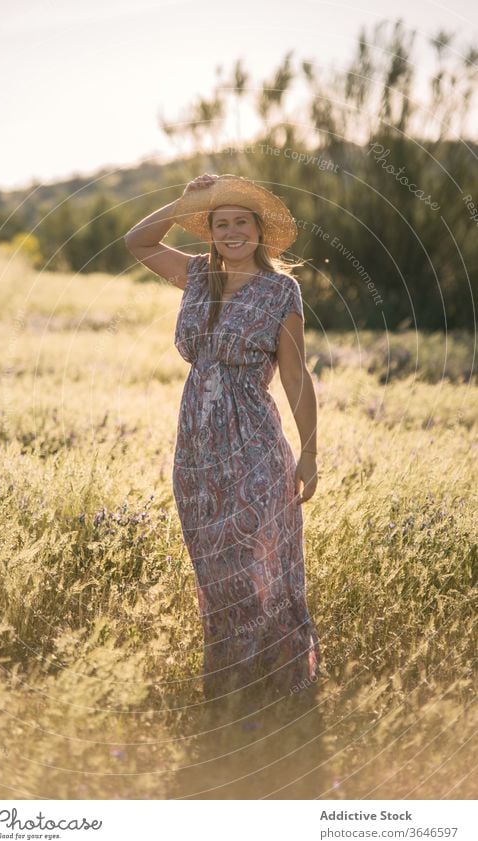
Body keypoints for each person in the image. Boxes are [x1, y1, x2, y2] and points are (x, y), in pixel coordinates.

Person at [124, 173, 321, 714]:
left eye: (241, 222)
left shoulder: (282, 290)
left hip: (255, 440)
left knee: (261, 556)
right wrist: (186, 202)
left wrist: (308, 450)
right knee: (214, 565)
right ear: (209, 233)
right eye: (221, 223)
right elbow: (137, 242)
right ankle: (232, 688)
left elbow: (296, 376)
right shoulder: (196, 277)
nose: (232, 231)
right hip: (196, 448)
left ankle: (280, 683)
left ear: (260, 230)